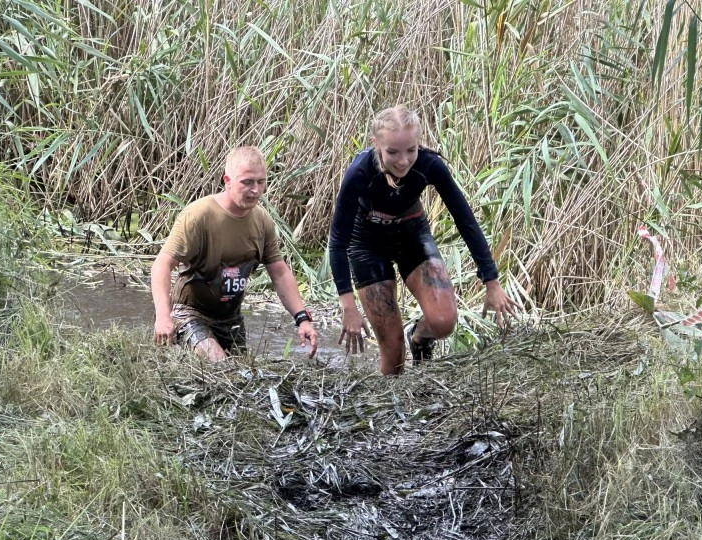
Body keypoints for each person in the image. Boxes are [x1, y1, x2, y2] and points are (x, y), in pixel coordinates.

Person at [328, 105, 521, 375]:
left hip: (411, 235)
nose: (404, 161)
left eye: (411, 150)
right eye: (393, 152)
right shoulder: (360, 172)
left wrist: (491, 280)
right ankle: (392, 406)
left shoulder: (430, 164)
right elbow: (337, 242)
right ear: (376, 144)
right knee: (394, 354)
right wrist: (347, 305)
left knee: (444, 322)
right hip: (367, 245)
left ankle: (418, 337)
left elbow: (465, 220)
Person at [151, 146, 318, 362]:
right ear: (227, 181)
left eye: (261, 182)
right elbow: (162, 264)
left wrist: (302, 319)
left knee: (242, 378)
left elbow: (279, 272)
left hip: (231, 318)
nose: (255, 190)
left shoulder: (262, 221)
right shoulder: (198, 215)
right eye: (247, 182)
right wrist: (163, 316)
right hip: (190, 313)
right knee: (219, 365)